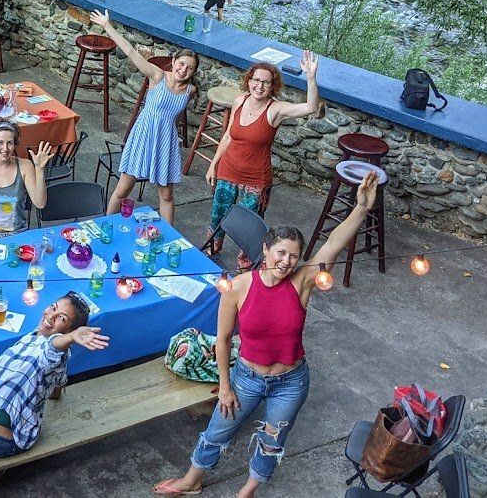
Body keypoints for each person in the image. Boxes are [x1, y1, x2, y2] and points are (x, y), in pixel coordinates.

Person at [153, 172, 379, 498]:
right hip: (247, 378)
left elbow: (333, 244)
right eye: (280, 253)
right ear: (266, 249)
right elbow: (222, 340)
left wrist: (361, 209)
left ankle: (248, 490)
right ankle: (192, 480)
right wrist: (225, 386)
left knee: (272, 441)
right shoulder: (238, 287)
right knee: (218, 429)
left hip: (291, 382)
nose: (286, 262)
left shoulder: (302, 282)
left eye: (293, 256)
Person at [0, 293, 109, 457]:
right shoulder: (50, 345)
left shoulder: (53, 351)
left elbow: (53, 348)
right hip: (22, 429)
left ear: (68, 332)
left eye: (62, 319)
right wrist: (50, 393)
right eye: (53, 307)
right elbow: (58, 380)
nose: (51, 316)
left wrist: (72, 337)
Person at [205, 54, 321, 264]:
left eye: (266, 82)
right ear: (249, 81)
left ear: (272, 86)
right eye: (256, 80)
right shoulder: (240, 101)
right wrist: (213, 165)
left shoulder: (275, 110)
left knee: (249, 230)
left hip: (255, 181)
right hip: (227, 172)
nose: (260, 86)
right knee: (218, 217)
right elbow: (228, 136)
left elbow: (310, 107)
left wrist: (311, 78)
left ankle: (246, 268)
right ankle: (210, 255)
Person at [89, 9, 198, 225]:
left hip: (165, 143)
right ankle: (105, 226)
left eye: (189, 68)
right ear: (174, 61)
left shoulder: (190, 91)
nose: (183, 70)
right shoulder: (157, 76)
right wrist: (107, 26)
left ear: (193, 72)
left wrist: (173, 137)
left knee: (167, 196)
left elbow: (174, 117)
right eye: (181, 64)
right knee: (123, 190)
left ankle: (168, 236)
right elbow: (131, 52)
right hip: (143, 136)